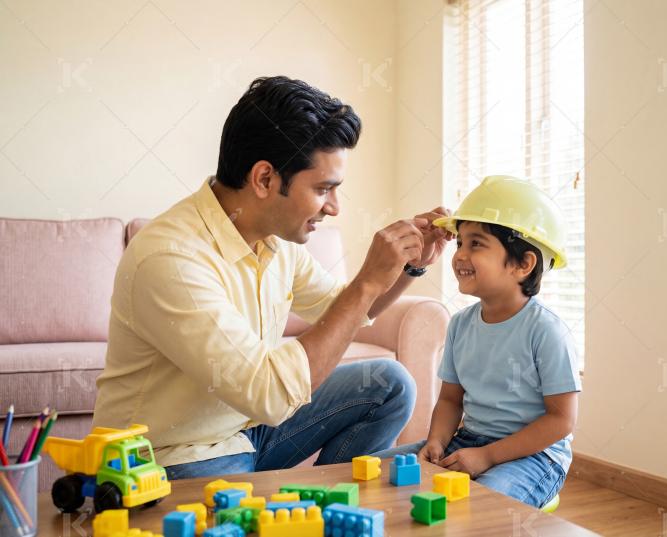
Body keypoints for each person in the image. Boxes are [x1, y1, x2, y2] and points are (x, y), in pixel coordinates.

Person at [92, 76, 452, 479]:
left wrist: (408, 267)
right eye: (323, 189)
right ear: (264, 179)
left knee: (389, 383)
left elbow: (343, 310)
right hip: (172, 456)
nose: (333, 207)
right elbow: (271, 393)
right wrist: (367, 280)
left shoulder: (273, 241)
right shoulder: (170, 258)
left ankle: (334, 505)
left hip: (248, 431)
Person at [372, 175, 581, 508]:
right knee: (376, 474)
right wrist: (437, 442)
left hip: (536, 457)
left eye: (476, 244)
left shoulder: (546, 330)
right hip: (469, 442)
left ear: (524, 264)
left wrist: (488, 456)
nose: (460, 256)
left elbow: (561, 420)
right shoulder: (460, 325)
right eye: (459, 244)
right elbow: (451, 400)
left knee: (476, 506)